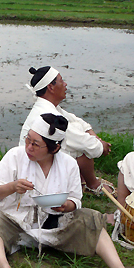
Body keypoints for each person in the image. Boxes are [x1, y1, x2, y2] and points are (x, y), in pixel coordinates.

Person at [0, 112, 134, 268]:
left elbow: (76, 199)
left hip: (56, 224)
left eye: (35, 144)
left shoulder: (68, 163)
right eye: (28, 139)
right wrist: (12, 187)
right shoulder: (15, 155)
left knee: (92, 218)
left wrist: (66, 206)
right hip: (16, 224)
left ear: (54, 148)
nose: (29, 146)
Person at [19, 66, 115, 196]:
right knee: (81, 149)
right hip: (36, 170)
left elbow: (75, 120)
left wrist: (92, 134)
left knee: (77, 134)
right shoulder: (48, 114)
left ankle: (81, 180)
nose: (65, 84)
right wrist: (100, 145)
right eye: (61, 80)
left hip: (39, 160)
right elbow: (86, 144)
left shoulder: (48, 106)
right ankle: (92, 184)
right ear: (51, 87)